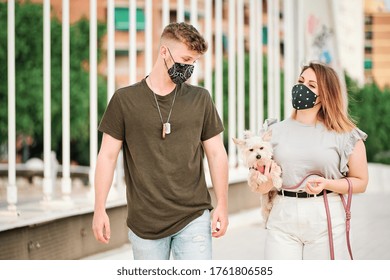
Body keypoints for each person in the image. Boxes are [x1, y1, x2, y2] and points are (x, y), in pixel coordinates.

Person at [92, 22, 229, 260]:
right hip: (145, 223)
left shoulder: (201, 99)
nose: (188, 68)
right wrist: (99, 209)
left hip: (193, 216)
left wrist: (223, 205)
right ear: (163, 51)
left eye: (193, 63)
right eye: (185, 59)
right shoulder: (125, 100)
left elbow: (217, 154)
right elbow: (107, 156)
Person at [253, 61, 368, 260]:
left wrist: (328, 183)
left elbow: (361, 182)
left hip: (326, 214)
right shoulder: (273, 132)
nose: (301, 88)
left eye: (311, 85)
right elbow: (263, 187)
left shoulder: (345, 135)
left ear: (325, 95)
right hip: (283, 214)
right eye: (300, 81)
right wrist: (264, 181)